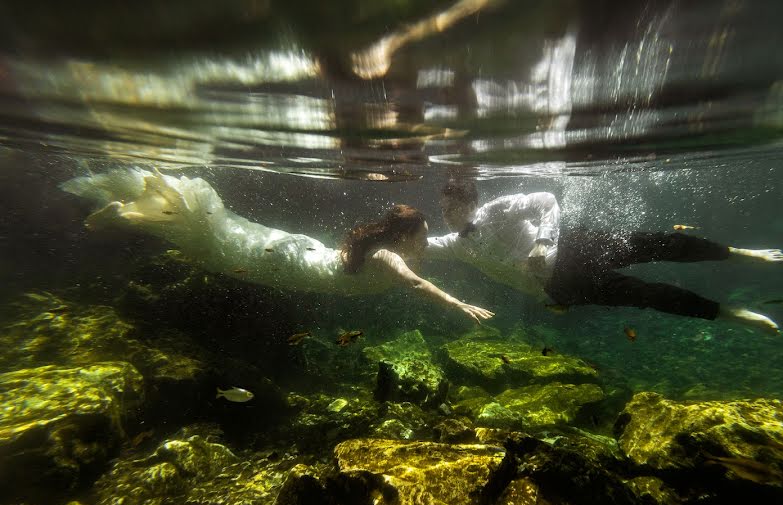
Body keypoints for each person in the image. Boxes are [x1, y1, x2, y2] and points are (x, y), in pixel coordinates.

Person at [60, 168, 494, 323]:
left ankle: (141, 209)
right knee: (218, 246)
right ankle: (131, 214)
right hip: (293, 264)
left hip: (300, 255)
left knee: (222, 237)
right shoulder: (387, 256)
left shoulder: (389, 249)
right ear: (405, 237)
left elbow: (444, 251)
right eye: (421, 233)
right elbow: (415, 285)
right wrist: (459, 305)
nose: (425, 238)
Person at [426, 177, 783, 334]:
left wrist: (543, 243)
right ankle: (731, 315)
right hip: (563, 285)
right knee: (647, 296)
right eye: (443, 211)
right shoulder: (455, 245)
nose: (447, 216)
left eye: (452, 209)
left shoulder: (497, 209)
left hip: (574, 246)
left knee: (655, 243)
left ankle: (739, 254)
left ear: (471, 203)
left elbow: (547, 202)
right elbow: (419, 247)